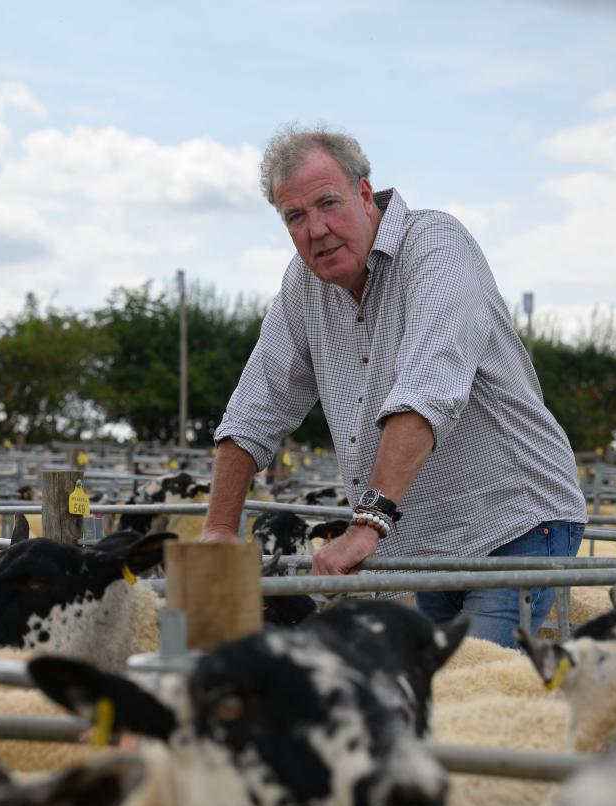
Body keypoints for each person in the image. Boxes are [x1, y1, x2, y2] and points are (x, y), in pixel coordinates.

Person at [200, 124, 587, 647]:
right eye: (296, 216)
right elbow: (255, 407)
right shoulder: (303, 285)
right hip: (424, 540)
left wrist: (365, 526)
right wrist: (217, 536)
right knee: (427, 694)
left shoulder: (436, 247)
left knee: (473, 694)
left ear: (365, 194)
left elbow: (429, 385)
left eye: (328, 204)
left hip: (511, 522)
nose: (317, 229)